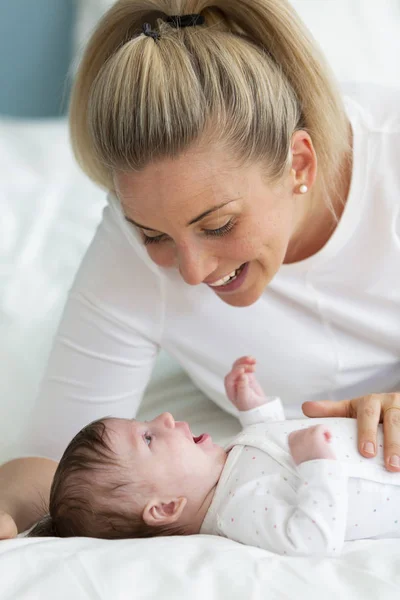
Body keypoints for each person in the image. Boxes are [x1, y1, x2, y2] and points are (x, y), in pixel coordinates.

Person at [1, 0, 399, 540]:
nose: (190, 273)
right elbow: (55, 467)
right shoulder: (129, 253)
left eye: (218, 225)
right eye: (156, 235)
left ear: (299, 162)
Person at [28, 357, 400, 556]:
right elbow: (313, 540)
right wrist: (320, 466)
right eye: (148, 437)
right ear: (166, 506)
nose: (164, 417)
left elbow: (275, 453)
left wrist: (255, 411)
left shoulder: (225, 466)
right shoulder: (237, 510)